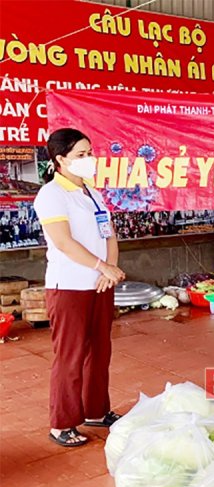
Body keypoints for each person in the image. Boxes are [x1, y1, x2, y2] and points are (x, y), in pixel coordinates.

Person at [33, 128, 126, 447]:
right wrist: (102, 266)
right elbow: (62, 241)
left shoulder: (92, 193)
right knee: (70, 355)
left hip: (100, 285)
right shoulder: (51, 195)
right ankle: (62, 423)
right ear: (60, 160)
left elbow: (109, 234)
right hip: (69, 286)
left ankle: (96, 411)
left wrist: (109, 270)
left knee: (100, 351)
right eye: (81, 156)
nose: (90, 160)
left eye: (90, 153)